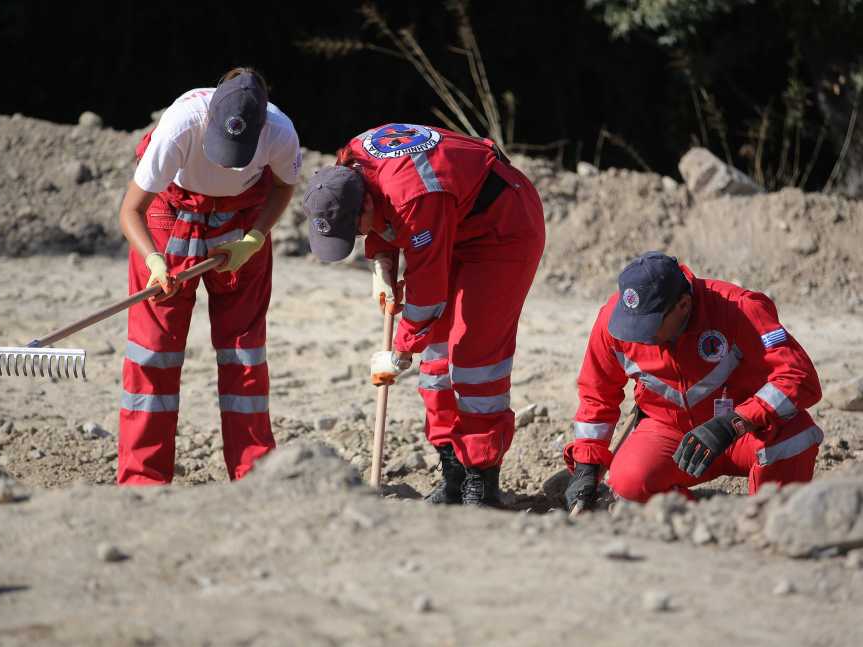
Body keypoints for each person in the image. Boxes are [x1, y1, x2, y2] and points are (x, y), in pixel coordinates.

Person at [302, 123, 546, 506]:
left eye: (358, 232)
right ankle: (452, 472)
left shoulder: (413, 196)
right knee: (436, 361)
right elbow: (385, 221)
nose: (362, 237)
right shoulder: (347, 166)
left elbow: (427, 293)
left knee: (474, 359)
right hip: (450, 219)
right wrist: (381, 263)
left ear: (363, 205)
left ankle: (480, 481)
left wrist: (398, 354)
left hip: (503, 226)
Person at [116, 68, 301, 485]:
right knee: (153, 351)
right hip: (170, 213)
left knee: (245, 352)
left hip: (242, 216)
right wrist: (154, 261)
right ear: (211, 119)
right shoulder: (181, 125)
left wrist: (254, 238)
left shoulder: (280, 131)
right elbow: (130, 210)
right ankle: (143, 482)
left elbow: (284, 188)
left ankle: (255, 476)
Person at [564, 251, 823, 509]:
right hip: (671, 434)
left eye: (648, 326)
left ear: (683, 305)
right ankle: (696, 518)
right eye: (633, 325)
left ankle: (774, 518)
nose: (638, 336)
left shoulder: (739, 308)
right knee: (628, 483)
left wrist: (735, 422)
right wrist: (586, 464)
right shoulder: (615, 322)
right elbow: (596, 394)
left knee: (796, 435)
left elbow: (800, 377)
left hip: (744, 432)